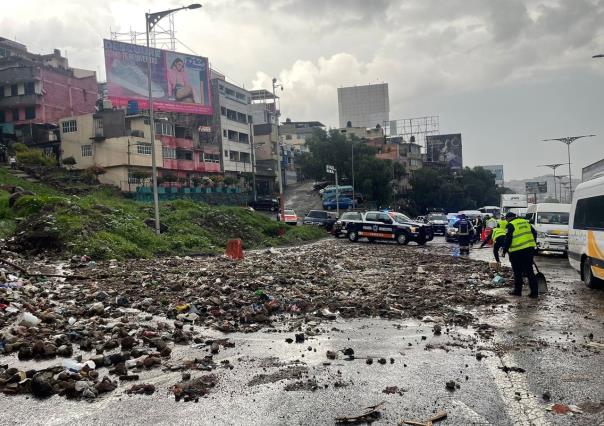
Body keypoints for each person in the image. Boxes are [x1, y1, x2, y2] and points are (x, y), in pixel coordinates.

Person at [502, 212, 539, 298]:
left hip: (516, 252)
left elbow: (508, 239)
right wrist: (531, 243)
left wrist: (504, 250)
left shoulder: (510, 225)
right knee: (529, 271)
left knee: (517, 272)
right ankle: (534, 293)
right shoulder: (526, 222)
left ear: (508, 218)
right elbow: (535, 233)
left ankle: (517, 291)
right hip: (529, 250)